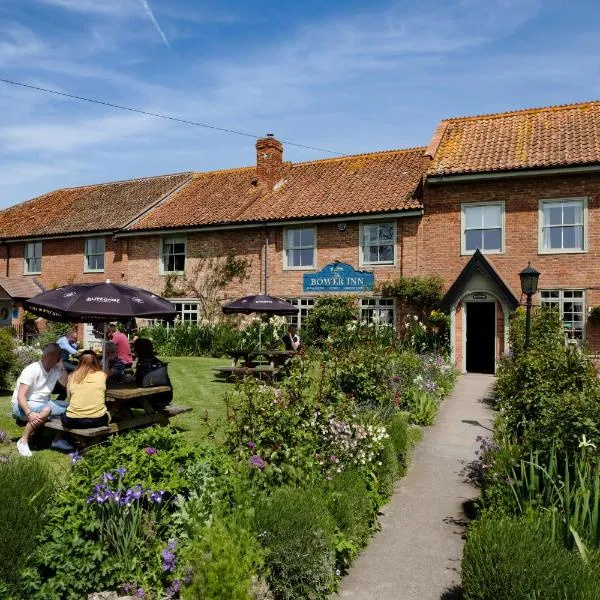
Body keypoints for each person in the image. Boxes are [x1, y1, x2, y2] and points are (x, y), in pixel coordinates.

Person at [11, 342, 72, 457]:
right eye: (59, 355)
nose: (61, 357)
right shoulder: (32, 369)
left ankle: (57, 440)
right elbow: (20, 396)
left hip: (43, 404)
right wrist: (29, 413)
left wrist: (62, 366)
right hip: (21, 406)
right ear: (49, 356)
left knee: (72, 408)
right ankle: (23, 441)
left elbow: (65, 384)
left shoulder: (56, 369)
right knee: (47, 410)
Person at [61, 351, 109, 430]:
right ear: (96, 361)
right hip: (98, 420)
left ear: (80, 361)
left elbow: (69, 400)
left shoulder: (72, 376)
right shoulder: (102, 375)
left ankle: (60, 439)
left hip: (72, 421)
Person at [133, 337, 173, 409]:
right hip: (166, 397)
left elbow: (137, 382)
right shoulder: (158, 363)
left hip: (152, 399)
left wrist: (132, 378)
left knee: (123, 401)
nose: (133, 350)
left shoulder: (144, 364)